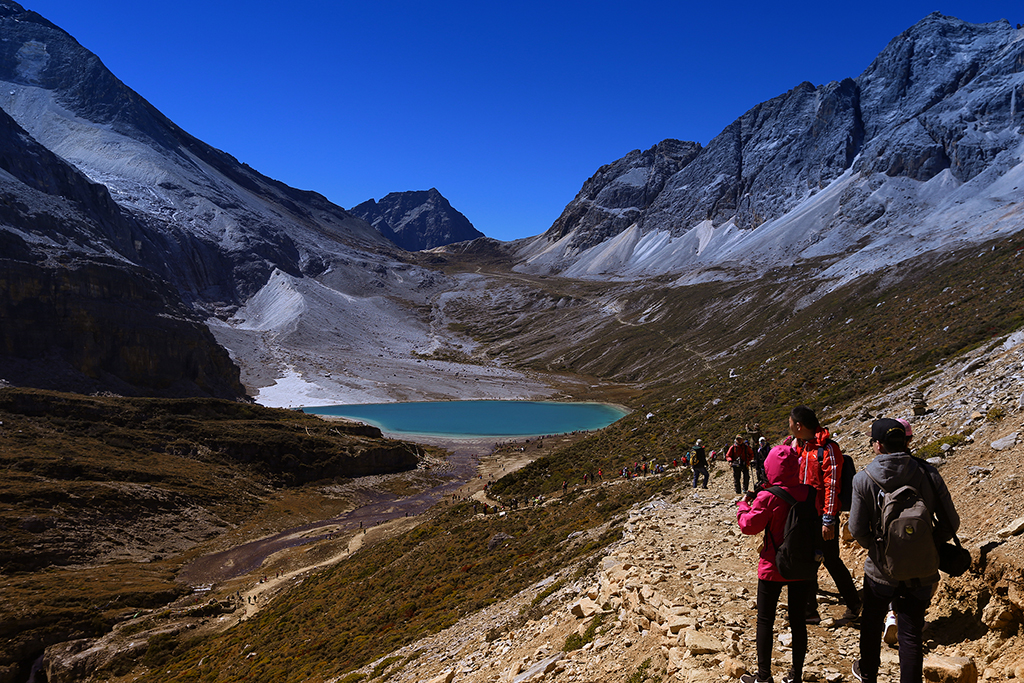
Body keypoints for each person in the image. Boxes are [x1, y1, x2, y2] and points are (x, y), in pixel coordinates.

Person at [849, 418, 959, 683]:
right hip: (921, 569)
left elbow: (857, 530)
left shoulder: (863, 479)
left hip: (880, 571)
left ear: (877, 445)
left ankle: (868, 675)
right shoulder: (928, 473)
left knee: (872, 624)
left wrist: (880, 549)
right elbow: (951, 523)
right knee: (911, 632)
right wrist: (927, 543)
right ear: (906, 441)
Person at [736, 444, 814, 683]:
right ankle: (796, 676)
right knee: (798, 621)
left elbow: (748, 526)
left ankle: (763, 676)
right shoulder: (809, 492)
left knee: (765, 620)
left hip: (772, 566)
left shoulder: (768, 497)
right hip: (802, 565)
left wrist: (742, 505)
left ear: (769, 466)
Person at [785, 405, 861, 624]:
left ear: (798, 425)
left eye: (790, 422)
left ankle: (854, 604)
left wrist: (829, 519)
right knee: (807, 559)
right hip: (804, 514)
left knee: (831, 560)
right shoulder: (802, 446)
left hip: (821, 516)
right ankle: (809, 611)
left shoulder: (827, 450)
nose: (789, 426)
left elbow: (832, 485)